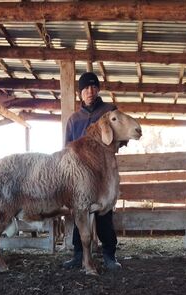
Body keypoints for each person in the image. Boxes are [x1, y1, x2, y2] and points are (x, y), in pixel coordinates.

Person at [63, 71, 122, 271]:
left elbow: (119, 136)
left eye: (94, 87)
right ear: (81, 93)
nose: (90, 91)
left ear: (98, 89)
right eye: (86, 88)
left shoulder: (109, 110)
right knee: (80, 212)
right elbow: (67, 147)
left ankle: (109, 255)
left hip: (102, 172)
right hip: (81, 175)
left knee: (104, 213)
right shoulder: (74, 120)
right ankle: (78, 254)